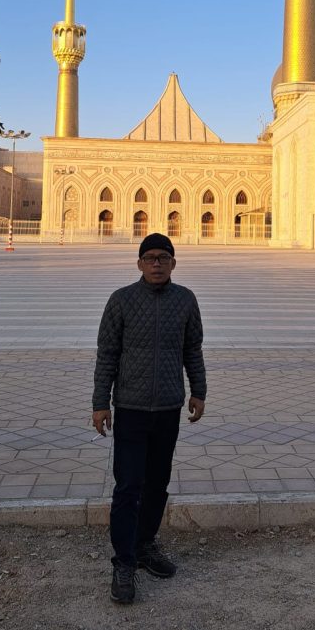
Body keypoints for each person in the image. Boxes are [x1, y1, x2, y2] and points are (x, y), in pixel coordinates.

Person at [93, 232, 207, 605]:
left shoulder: (185, 300)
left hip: (168, 408)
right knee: (128, 486)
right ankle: (123, 562)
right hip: (130, 408)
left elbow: (193, 349)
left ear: (174, 263)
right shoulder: (121, 301)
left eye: (163, 257)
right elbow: (107, 354)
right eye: (150, 258)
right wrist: (100, 403)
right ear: (139, 263)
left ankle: (144, 545)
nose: (157, 263)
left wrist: (199, 391)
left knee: (157, 484)